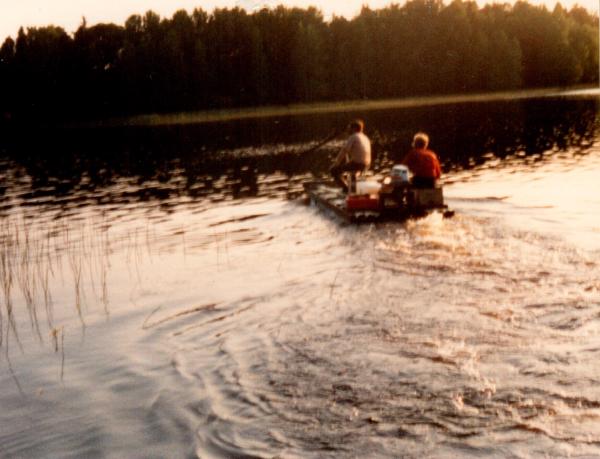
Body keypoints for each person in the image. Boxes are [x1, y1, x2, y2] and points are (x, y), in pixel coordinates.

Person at [330, 119, 371, 192]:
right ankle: (353, 189)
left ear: (354, 128)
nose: (348, 130)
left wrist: (336, 164)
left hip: (357, 164)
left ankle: (346, 189)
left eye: (349, 128)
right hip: (367, 164)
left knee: (333, 170)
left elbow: (344, 151)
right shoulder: (365, 137)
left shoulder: (353, 137)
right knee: (351, 169)